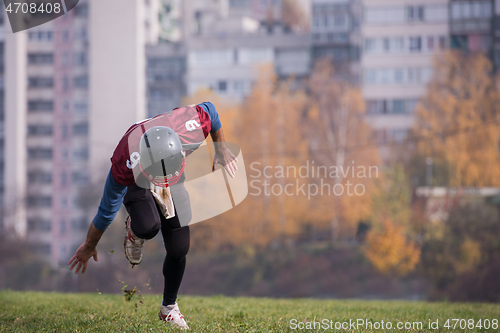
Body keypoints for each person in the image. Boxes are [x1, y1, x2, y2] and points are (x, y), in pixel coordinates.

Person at [68, 102, 238, 330]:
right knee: (149, 226)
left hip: (171, 168)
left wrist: (221, 149)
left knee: (179, 246)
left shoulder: (191, 127)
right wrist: (90, 244)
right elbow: (106, 212)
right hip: (139, 177)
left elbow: (213, 112)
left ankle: (168, 307)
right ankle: (135, 231)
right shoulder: (125, 162)